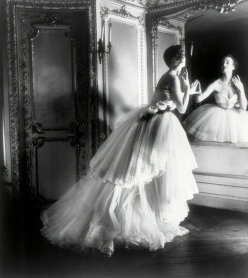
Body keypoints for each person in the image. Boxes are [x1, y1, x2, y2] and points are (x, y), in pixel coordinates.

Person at [41, 45, 199, 257]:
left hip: (153, 123)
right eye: (183, 58)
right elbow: (181, 107)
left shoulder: (167, 75)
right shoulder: (174, 77)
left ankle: (145, 216)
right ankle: (126, 222)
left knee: (143, 173)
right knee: (143, 173)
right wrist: (188, 88)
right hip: (159, 125)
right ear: (180, 61)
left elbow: (167, 103)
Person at [184, 54, 248, 142]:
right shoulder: (216, 83)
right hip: (216, 119)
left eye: (227, 62)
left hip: (235, 121)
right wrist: (197, 91)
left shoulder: (237, 84)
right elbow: (198, 99)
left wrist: (241, 89)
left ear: (233, 67)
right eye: (222, 63)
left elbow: (243, 107)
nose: (224, 64)